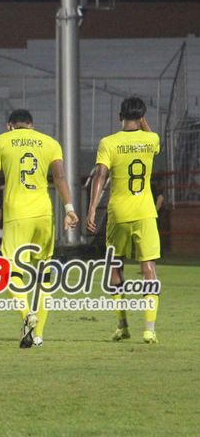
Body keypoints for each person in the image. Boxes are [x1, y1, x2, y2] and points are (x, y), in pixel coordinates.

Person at [0, 109, 79, 348]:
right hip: (43, 214)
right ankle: (38, 335)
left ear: (9, 126)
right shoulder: (50, 143)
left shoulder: (0, 141)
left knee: (11, 272)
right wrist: (69, 209)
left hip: (17, 214)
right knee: (44, 274)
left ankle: (27, 316)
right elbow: (59, 178)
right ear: (32, 126)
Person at [87, 97, 161, 344]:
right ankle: (149, 329)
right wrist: (143, 121)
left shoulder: (108, 142)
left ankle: (122, 325)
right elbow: (150, 136)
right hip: (145, 213)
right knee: (148, 268)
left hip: (118, 214)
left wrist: (91, 210)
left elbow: (100, 176)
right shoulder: (152, 139)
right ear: (141, 118)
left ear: (120, 116)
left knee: (114, 267)